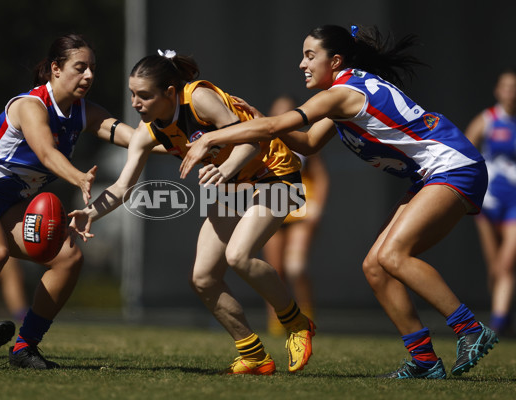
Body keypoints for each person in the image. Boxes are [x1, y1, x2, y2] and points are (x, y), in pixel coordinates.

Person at [179, 24, 499, 379]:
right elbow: (308, 143)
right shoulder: (344, 93)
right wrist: (257, 118)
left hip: (454, 165)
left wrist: (212, 138)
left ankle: (470, 329)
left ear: (335, 60)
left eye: (310, 56)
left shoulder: (340, 93)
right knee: (375, 266)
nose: (302, 64)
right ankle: (424, 360)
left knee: (393, 256)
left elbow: (276, 129)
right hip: (434, 174)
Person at [69, 50, 316, 375]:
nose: (135, 103)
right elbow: (121, 187)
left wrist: (225, 169)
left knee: (238, 256)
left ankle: (297, 323)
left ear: (169, 92)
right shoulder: (148, 132)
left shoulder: (199, 97)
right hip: (234, 183)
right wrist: (90, 213)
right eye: (132, 94)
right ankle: (254, 355)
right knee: (202, 278)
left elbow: (252, 141)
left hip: (276, 172)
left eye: (144, 95)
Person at [0, 33, 135, 369]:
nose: (89, 76)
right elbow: (45, 151)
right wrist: (79, 177)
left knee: (69, 258)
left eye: (92, 69)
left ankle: (24, 348)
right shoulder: (31, 105)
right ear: (56, 69)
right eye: (80, 67)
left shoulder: (83, 113)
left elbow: (133, 137)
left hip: (8, 200)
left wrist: (181, 144)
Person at [260, 95, 329, 336]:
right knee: (273, 270)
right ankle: (277, 322)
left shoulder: (303, 142)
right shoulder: (263, 141)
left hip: (300, 209)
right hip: (272, 207)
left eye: (287, 113)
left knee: (295, 266)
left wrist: (317, 207)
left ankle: (307, 319)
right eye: (277, 113)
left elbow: (320, 176)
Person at [465, 67, 516, 336]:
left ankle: (497, 321)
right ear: (498, 90)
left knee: (507, 263)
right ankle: (501, 315)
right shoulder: (487, 120)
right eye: (506, 87)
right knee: (494, 265)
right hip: (488, 202)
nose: (511, 92)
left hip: (514, 202)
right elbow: (464, 151)